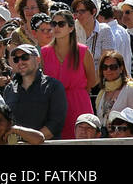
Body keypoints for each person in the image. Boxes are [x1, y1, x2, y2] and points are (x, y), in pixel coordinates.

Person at [40, 7, 96, 139]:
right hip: (54, 104)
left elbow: (92, 80)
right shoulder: (44, 52)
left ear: (71, 28)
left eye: (61, 24)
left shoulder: (83, 51)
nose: (56, 27)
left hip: (78, 102)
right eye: (53, 24)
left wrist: (79, 92)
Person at [1, 42, 66, 140]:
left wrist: (32, 139)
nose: (20, 62)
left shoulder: (54, 86)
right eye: (16, 59)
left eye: (25, 57)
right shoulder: (9, 89)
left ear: (38, 59)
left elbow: (56, 123)